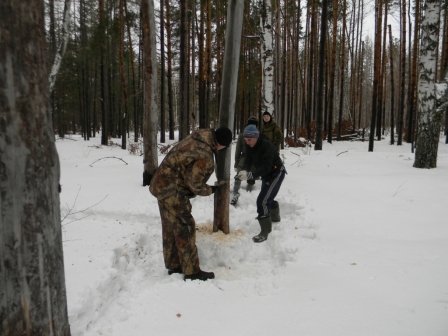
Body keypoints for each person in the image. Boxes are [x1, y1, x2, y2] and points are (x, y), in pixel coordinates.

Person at [149, 127, 232, 281]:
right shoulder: (205, 155)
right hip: (172, 190)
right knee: (185, 227)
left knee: (170, 226)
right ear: (221, 145)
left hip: (160, 184)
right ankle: (191, 271)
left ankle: (174, 265)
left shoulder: (200, 136)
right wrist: (211, 190)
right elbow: (195, 184)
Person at [237, 124, 286, 243]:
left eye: (249, 139)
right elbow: (248, 160)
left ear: (256, 137)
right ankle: (275, 215)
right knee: (266, 197)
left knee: (262, 200)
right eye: (245, 140)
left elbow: (266, 167)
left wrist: (250, 175)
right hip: (266, 175)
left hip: (276, 173)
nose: (247, 142)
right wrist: (244, 170)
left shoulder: (266, 145)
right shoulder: (250, 146)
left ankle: (265, 231)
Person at [231, 116, 259, 206]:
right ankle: (235, 193)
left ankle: (249, 193)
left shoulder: (258, 136)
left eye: (254, 124)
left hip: (254, 160)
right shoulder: (242, 135)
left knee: (251, 178)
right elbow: (238, 150)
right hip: (243, 159)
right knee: (239, 176)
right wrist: (236, 163)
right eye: (250, 124)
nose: (252, 126)